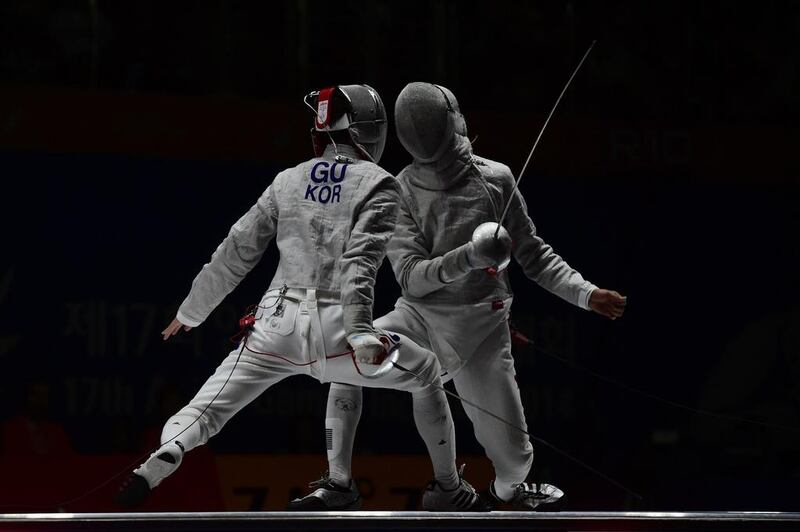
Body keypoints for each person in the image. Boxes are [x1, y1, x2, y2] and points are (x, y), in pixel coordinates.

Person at [116, 84, 488, 512]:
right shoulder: (380, 182)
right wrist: (362, 332)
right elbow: (361, 262)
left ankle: (172, 448)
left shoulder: (286, 180)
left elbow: (236, 249)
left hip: (275, 325)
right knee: (425, 371)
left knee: (207, 408)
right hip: (338, 332)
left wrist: (191, 312)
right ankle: (447, 488)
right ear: (370, 133)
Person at [291, 82, 627, 511]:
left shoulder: (496, 179)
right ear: (454, 121)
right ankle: (341, 482)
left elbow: (534, 255)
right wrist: (471, 255)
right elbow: (412, 279)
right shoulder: (397, 190)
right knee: (348, 354)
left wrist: (585, 294)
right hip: (420, 322)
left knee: (514, 461)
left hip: (482, 331)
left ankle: (508, 492)